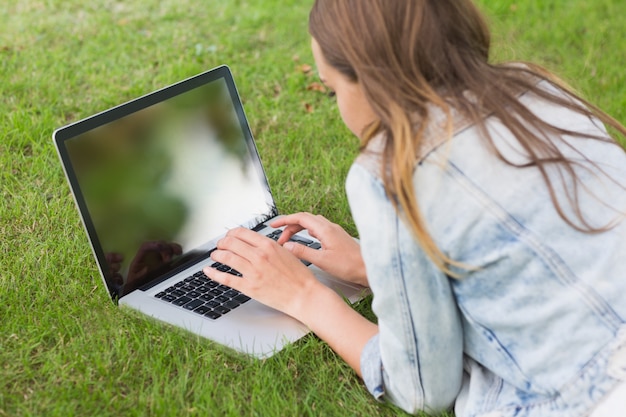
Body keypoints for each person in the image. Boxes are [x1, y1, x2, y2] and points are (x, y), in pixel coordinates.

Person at [203, 1, 626, 416]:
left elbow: (423, 387)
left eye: (333, 89)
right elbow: (524, 261)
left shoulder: (390, 171)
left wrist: (305, 295)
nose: (337, 106)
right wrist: (376, 264)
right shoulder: (535, 88)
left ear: (369, 80)